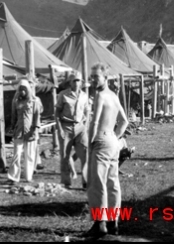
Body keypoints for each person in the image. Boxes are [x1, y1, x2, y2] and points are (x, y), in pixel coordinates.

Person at [85, 63, 129, 237]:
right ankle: (113, 222)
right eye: (92, 76)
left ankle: (100, 224)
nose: (93, 79)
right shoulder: (114, 96)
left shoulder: (100, 96)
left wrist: (90, 142)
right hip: (112, 140)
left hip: (101, 139)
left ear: (106, 78)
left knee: (97, 184)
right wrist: (115, 137)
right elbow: (124, 121)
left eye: (96, 76)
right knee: (113, 183)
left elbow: (95, 122)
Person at [55, 73, 90, 189]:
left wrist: (86, 125)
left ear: (81, 82)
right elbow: (57, 113)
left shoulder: (85, 96)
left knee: (85, 155)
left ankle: (86, 182)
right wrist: (59, 128)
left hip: (80, 128)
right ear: (70, 83)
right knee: (65, 156)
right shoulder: (63, 95)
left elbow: (87, 111)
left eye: (78, 80)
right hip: (66, 127)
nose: (76, 83)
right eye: (74, 81)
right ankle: (66, 182)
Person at [7, 79, 41, 183]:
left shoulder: (34, 101)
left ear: (28, 90)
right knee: (16, 154)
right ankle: (13, 177)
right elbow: (14, 116)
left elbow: (37, 116)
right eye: (20, 89)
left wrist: (35, 129)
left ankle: (28, 177)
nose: (22, 91)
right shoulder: (16, 101)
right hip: (19, 131)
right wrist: (12, 127)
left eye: (24, 89)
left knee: (29, 155)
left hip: (30, 131)